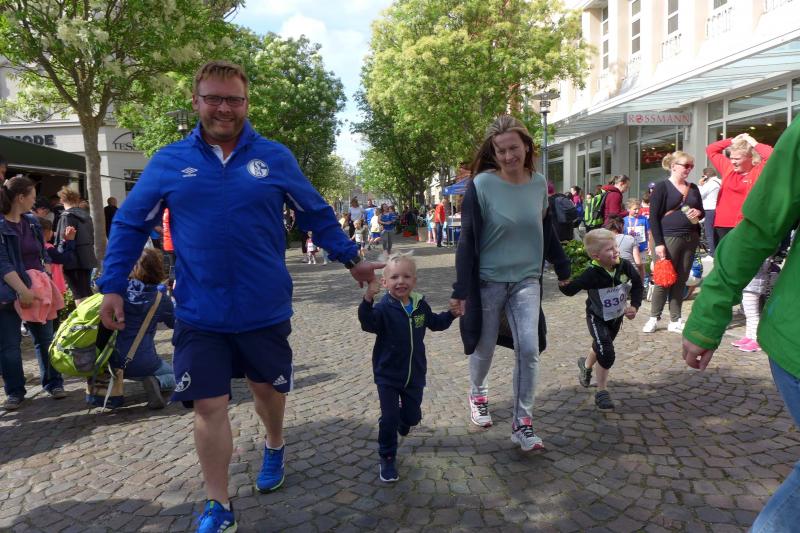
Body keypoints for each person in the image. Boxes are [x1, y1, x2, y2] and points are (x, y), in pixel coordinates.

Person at [95, 60, 380, 533]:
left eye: (233, 99)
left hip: (262, 306)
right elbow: (129, 223)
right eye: (214, 98)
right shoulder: (168, 161)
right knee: (209, 405)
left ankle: (274, 443)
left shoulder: (274, 157)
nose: (224, 108)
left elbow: (315, 213)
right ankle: (218, 504)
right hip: (199, 311)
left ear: (246, 103)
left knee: (267, 391)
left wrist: (352, 259)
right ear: (196, 101)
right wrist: (112, 286)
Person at [682, 117, 800, 533]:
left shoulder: (757, 166)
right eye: (731, 155)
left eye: (739, 154)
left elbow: (767, 155)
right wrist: (711, 308)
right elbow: (761, 226)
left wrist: (751, 147)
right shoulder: (730, 168)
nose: (732, 157)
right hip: (733, 235)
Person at [450, 115, 571, 451]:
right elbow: (467, 240)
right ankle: (478, 395)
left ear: (527, 146)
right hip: (488, 281)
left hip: (527, 281)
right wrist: (460, 289)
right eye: (500, 150)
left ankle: (523, 423)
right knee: (484, 346)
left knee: (529, 349)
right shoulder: (481, 185)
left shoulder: (538, 184)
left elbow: (545, 230)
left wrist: (562, 265)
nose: (507, 156)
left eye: (513, 148)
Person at [358, 253, 456, 482]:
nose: (400, 281)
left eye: (406, 276)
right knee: (389, 418)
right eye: (394, 277)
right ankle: (387, 456)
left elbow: (436, 323)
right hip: (388, 375)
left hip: (415, 374)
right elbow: (367, 323)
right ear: (384, 282)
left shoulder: (420, 305)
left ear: (414, 280)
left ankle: (404, 421)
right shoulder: (383, 308)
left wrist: (452, 314)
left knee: (412, 417)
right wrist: (368, 298)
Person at [1, 177, 67, 410]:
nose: (35, 200)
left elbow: (43, 252)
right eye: (32, 196)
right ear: (21, 197)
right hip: (9, 293)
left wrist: (45, 273)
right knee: (9, 345)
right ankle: (15, 392)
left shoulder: (31, 222)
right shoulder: (2, 225)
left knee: (45, 339)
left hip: (38, 290)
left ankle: (53, 383)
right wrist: (22, 290)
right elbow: (3, 263)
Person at [558, 229, 643, 410]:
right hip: (597, 317)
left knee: (600, 345)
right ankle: (602, 392)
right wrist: (563, 282)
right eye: (610, 249)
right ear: (596, 256)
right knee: (606, 351)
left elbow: (637, 284)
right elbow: (572, 289)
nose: (616, 251)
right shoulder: (591, 273)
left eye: (615, 247)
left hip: (616, 318)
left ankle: (586, 366)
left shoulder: (624, 266)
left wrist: (634, 306)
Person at [88, 248, 176, 410]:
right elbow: (174, 323)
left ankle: (108, 387)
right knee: (176, 375)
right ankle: (156, 382)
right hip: (142, 362)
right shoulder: (160, 299)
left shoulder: (116, 293)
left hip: (109, 359)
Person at [642, 151, 704, 334]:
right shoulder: (662, 187)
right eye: (686, 165)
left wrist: (698, 213)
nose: (689, 169)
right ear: (673, 166)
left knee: (681, 280)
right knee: (664, 279)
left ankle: (675, 319)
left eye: (691, 166)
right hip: (668, 238)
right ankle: (654, 318)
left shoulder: (693, 188)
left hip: (690, 237)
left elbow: (701, 210)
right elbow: (653, 217)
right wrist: (659, 243)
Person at [706, 133, 773, 247]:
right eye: (731, 158)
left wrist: (753, 143)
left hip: (747, 224)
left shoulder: (758, 171)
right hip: (723, 224)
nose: (733, 161)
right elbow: (710, 150)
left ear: (750, 158)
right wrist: (731, 141)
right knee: (724, 256)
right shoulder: (728, 168)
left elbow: (772, 155)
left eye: (737, 158)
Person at [56, 186, 97, 305]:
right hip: (88, 257)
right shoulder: (86, 216)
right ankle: (91, 315)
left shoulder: (66, 216)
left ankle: (83, 316)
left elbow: (63, 239)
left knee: (78, 293)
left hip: (72, 260)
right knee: (86, 291)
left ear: (62, 200)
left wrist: (59, 257)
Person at [606, 216, 643, 282]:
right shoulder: (630, 239)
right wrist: (642, 277)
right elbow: (638, 263)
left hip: (612, 277)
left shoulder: (603, 241)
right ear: (621, 226)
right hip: (631, 275)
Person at [622, 199, 650, 282]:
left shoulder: (644, 219)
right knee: (629, 266)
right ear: (628, 209)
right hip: (629, 248)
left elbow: (649, 233)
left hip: (642, 247)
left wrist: (649, 245)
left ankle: (643, 283)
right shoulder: (624, 220)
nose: (637, 211)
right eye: (635, 209)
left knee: (642, 266)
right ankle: (630, 283)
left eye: (638, 209)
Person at [698, 167, 721, 255]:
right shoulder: (720, 181)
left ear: (705, 176)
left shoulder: (710, 183)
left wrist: (700, 185)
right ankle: (717, 252)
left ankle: (712, 253)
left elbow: (700, 195)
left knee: (709, 233)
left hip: (709, 209)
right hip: (718, 209)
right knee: (717, 232)